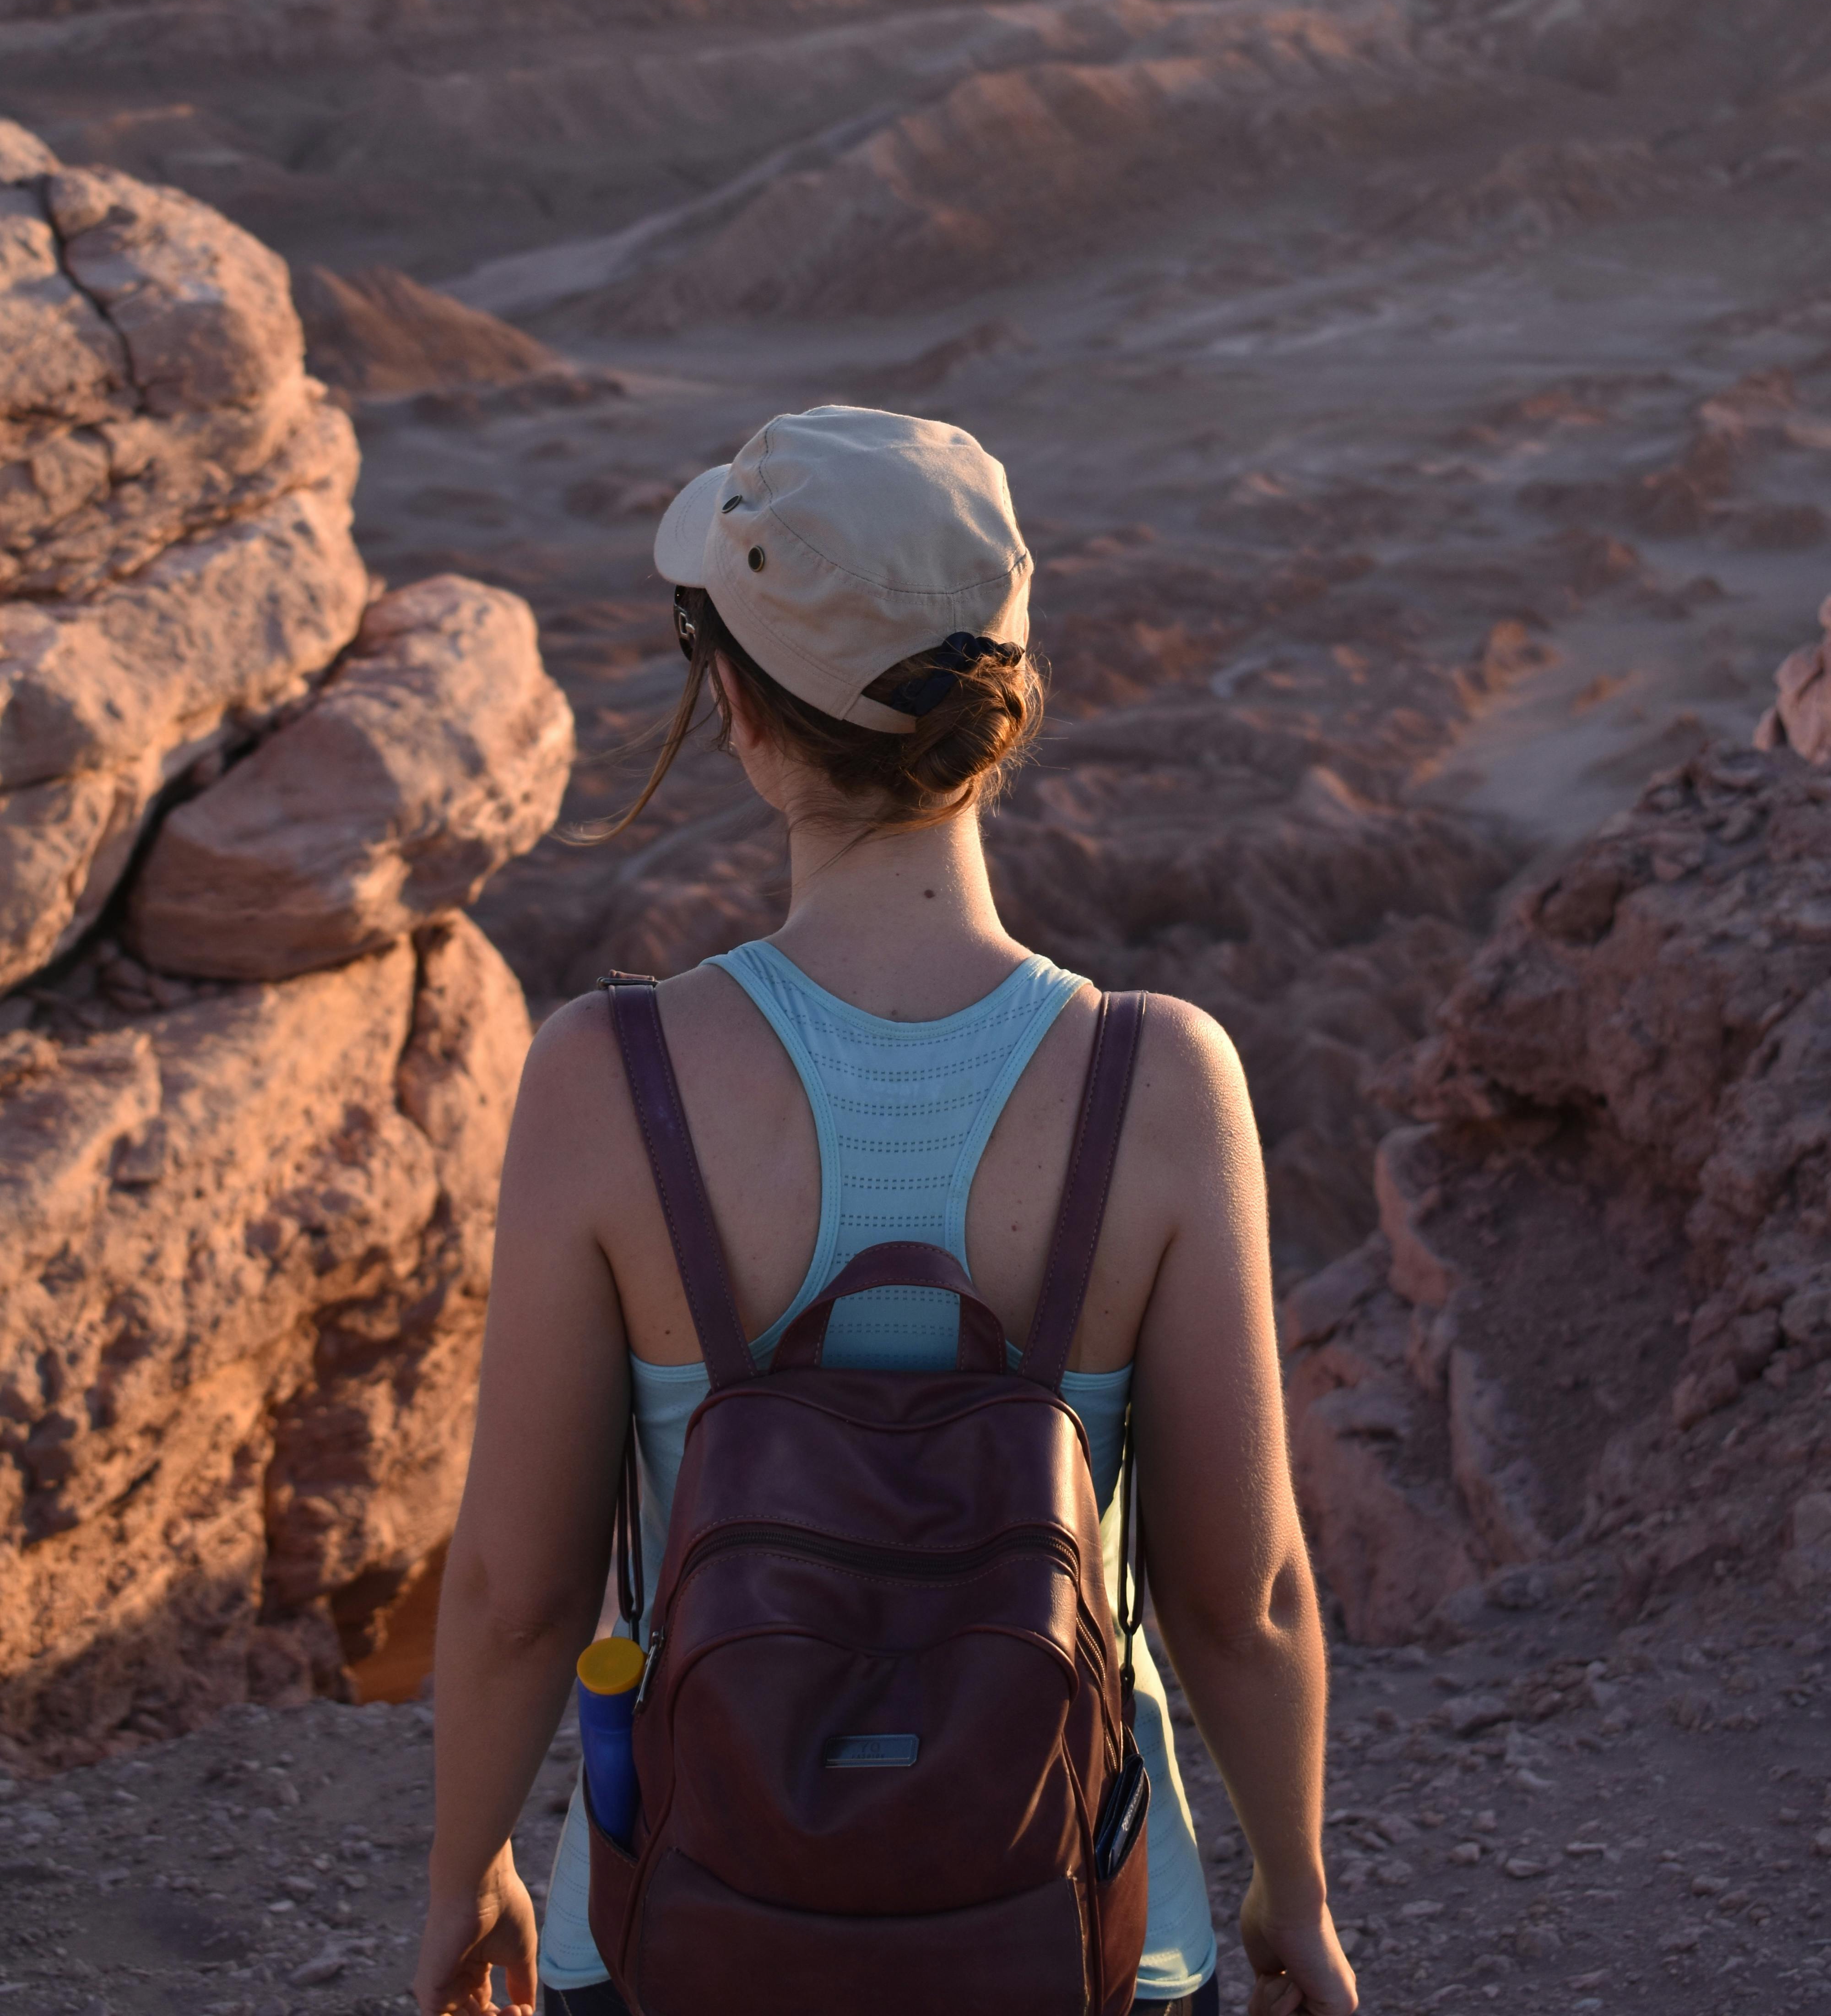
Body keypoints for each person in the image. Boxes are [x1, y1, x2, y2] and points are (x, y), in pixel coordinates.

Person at [414, 404, 1357, 2016]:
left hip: (683, 1919)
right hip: (1084, 1928)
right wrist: (1297, 1892)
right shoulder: (1162, 1084)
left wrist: (464, 1878)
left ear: (738, 709)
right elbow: (1242, 1594)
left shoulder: (606, 1078)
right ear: (1007, 699)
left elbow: (515, 1594)